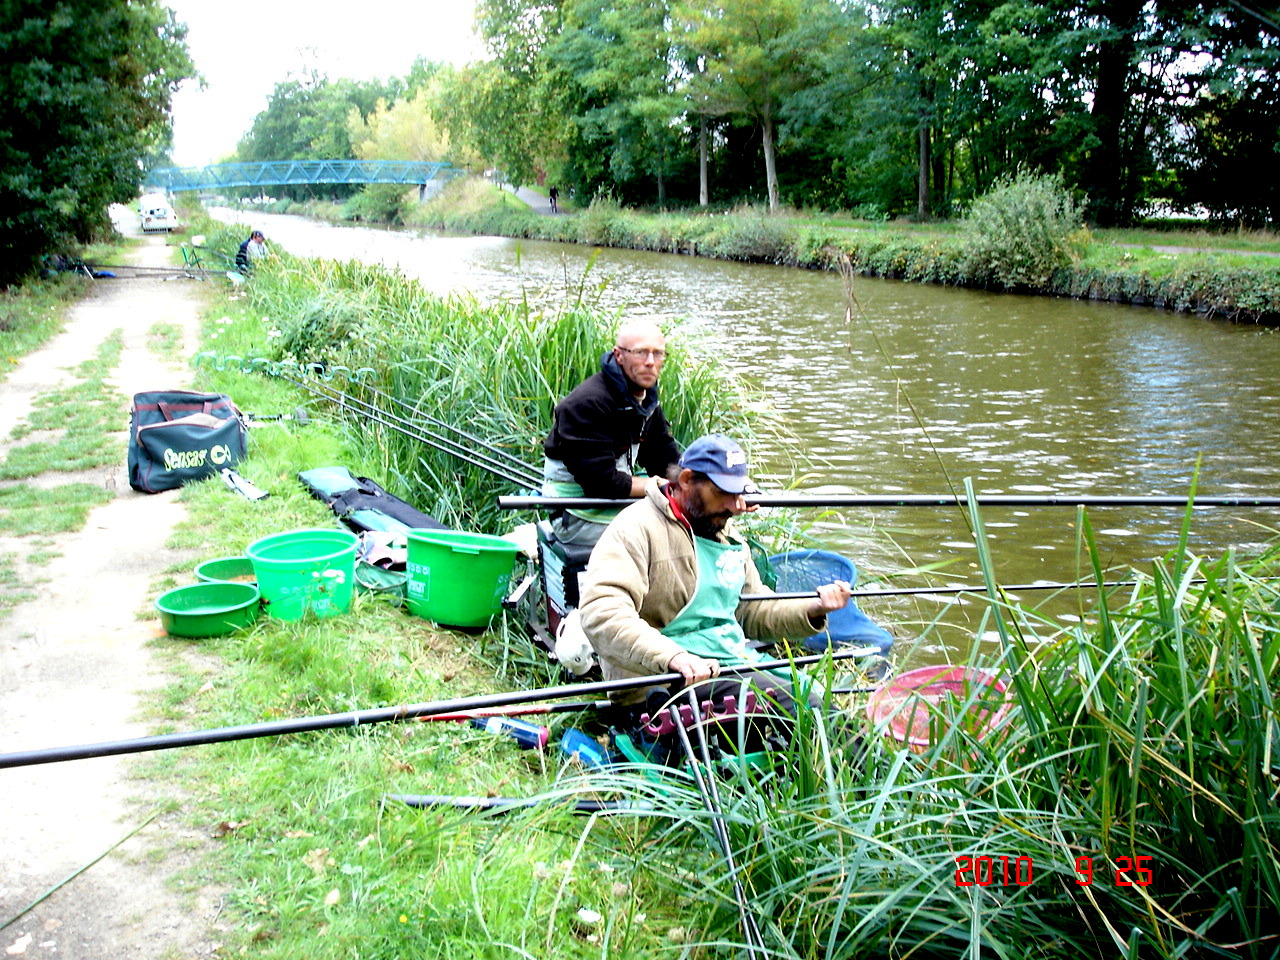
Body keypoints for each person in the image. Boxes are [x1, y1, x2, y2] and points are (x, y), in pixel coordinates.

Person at [577, 434, 852, 732]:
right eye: (724, 493)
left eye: (739, 493)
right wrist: (674, 657)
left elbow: (751, 610)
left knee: (819, 701)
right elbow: (601, 614)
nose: (736, 505)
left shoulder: (722, 530)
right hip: (661, 686)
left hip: (728, 662)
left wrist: (812, 607)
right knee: (801, 704)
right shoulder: (634, 529)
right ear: (686, 479)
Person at [542, 319, 681, 549]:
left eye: (658, 354)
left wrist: (699, 483)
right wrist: (663, 486)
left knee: (695, 517)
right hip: (576, 513)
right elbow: (602, 483)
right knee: (668, 532)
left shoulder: (647, 400)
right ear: (619, 355)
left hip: (614, 501)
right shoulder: (588, 403)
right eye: (640, 353)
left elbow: (664, 458)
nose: (650, 362)